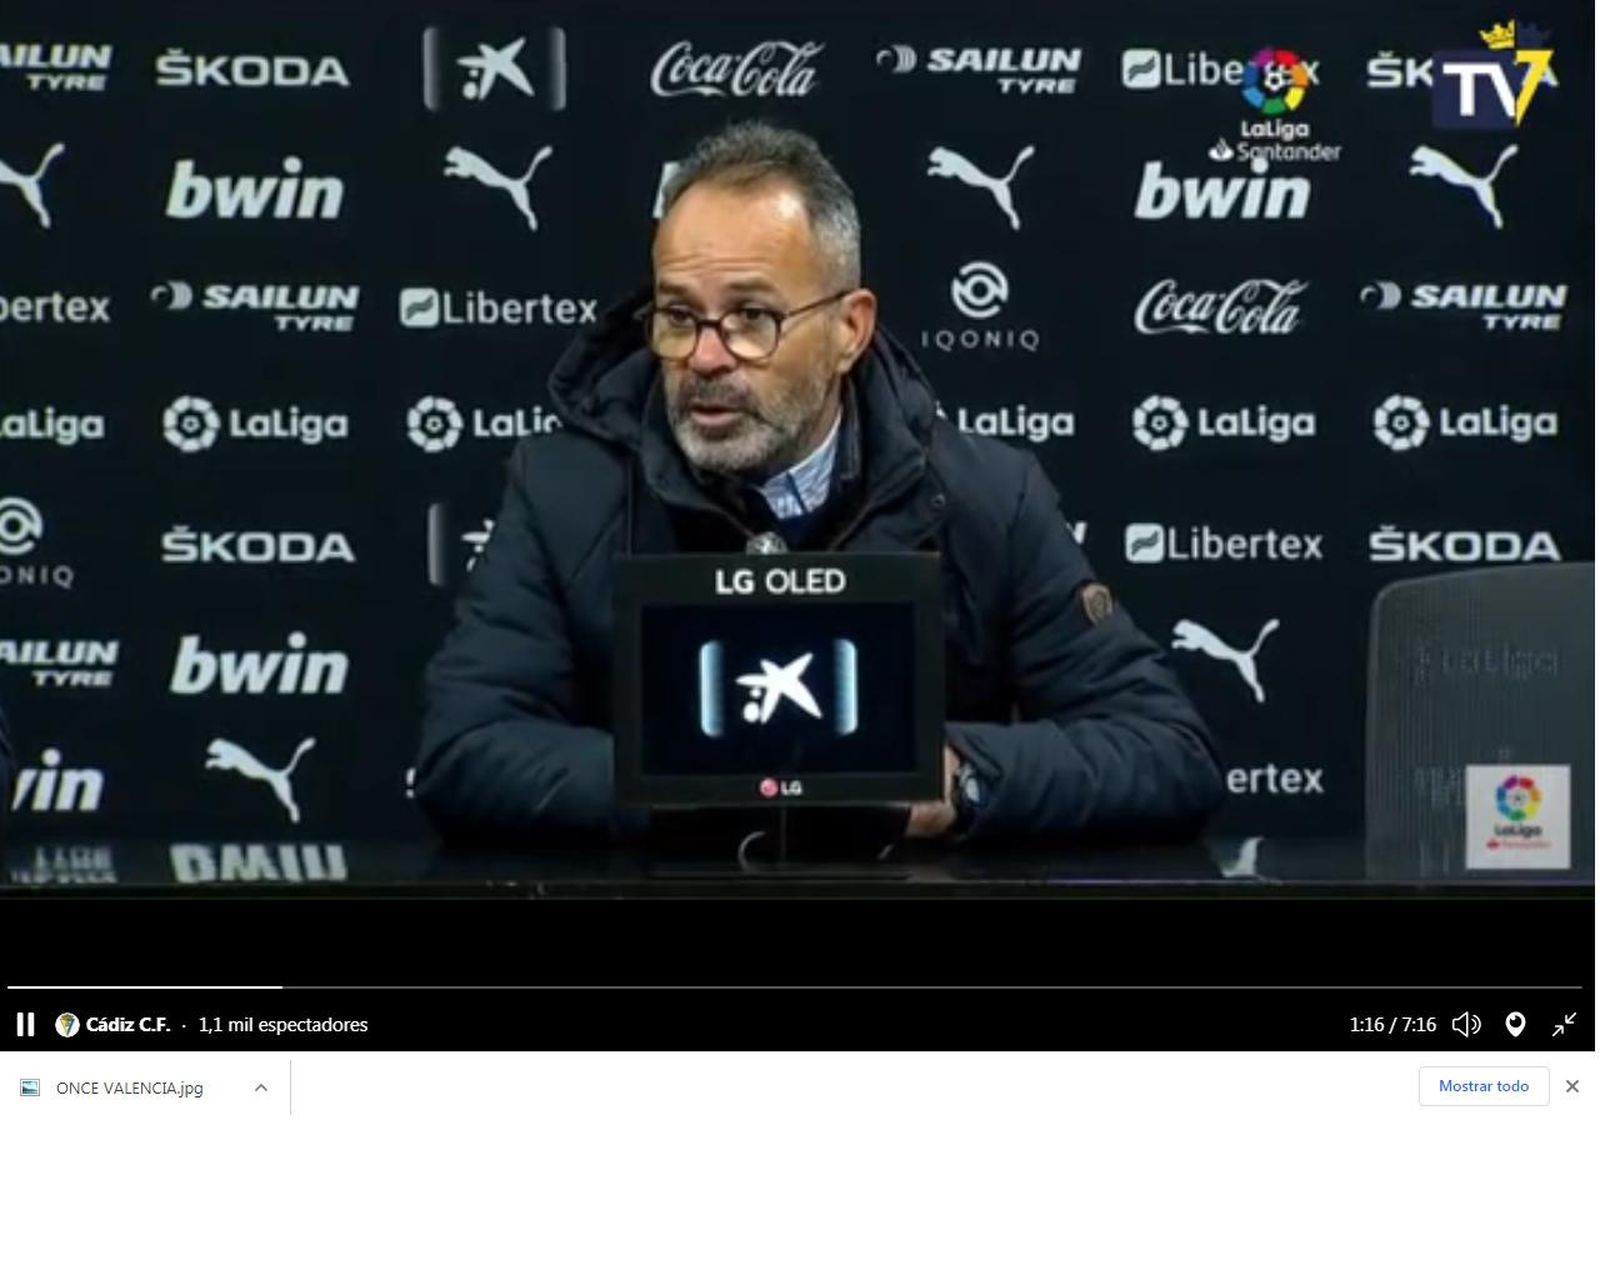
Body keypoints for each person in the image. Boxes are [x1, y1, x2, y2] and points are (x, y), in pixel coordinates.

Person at [415, 121, 1223, 847]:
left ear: (849, 329)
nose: (704, 357)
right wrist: (698, 781)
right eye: (678, 315)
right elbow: (465, 750)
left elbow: (1165, 750)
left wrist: (954, 780)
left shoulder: (989, 496)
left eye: (751, 318)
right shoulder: (564, 490)